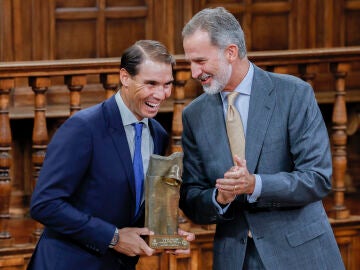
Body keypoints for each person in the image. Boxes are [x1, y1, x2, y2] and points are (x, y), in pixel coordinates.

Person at [179, 7, 344, 270]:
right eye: (190, 62)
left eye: (200, 61)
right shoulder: (194, 115)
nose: (193, 72)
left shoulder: (294, 94)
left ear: (230, 52)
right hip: (235, 259)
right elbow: (191, 196)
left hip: (300, 256)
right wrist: (219, 198)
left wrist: (255, 184)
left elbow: (318, 178)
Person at [28, 40, 194, 270]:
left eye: (167, 84)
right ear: (125, 77)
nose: (160, 94)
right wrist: (113, 237)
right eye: (151, 83)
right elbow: (45, 204)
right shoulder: (84, 128)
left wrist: (163, 235)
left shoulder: (158, 134)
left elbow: (129, 204)